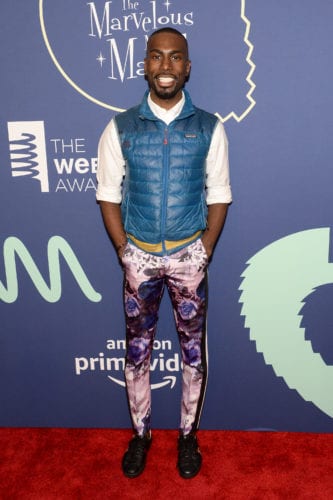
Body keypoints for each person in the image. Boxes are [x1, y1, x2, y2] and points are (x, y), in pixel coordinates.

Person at [96, 27, 232, 479]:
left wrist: (204, 249)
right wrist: (124, 251)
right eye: (157, 57)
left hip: (188, 258)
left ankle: (188, 437)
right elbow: (107, 194)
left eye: (176, 58)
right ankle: (141, 435)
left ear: (187, 67)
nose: (166, 67)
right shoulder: (120, 127)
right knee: (138, 352)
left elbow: (220, 194)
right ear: (145, 65)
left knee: (193, 353)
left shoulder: (210, 127)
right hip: (139, 259)